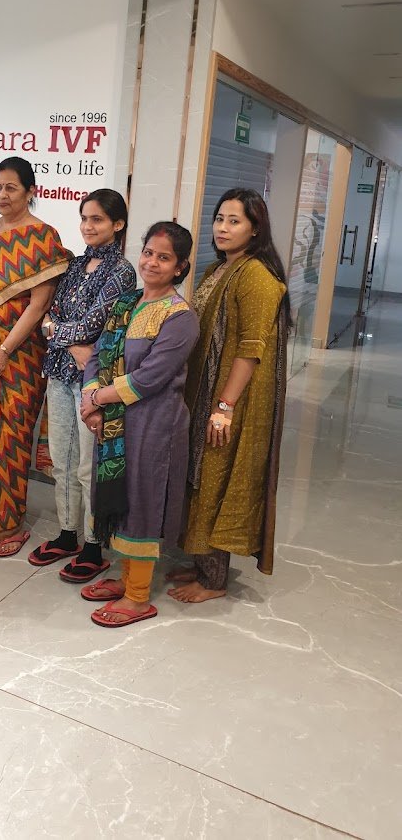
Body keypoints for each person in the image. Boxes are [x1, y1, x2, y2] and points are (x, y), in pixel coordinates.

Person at [167, 188, 290, 604]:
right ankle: (201, 561)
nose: (222, 227)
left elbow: (251, 349)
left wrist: (225, 406)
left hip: (233, 399)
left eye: (234, 221)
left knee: (217, 476)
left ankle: (214, 580)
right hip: (204, 390)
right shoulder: (218, 268)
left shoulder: (257, 276)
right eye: (220, 218)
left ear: (255, 229)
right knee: (199, 474)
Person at [78, 222, 199, 627]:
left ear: (179, 267)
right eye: (148, 253)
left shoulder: (180, 317)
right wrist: (91, 400)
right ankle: (126, 576)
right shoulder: (126, 303)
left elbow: (150, 377)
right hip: (115, 421)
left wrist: (98, 398)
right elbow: (98, 356)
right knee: (118, 497)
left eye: (164, 258)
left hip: (154, 425)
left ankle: (138, 596)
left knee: (142, 500)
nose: (152, 263)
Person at [0, 157, 69, 556]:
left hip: (19, 355)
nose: (2, 195)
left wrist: (4, 350)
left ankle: (6, 525)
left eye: (11, 188)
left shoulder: (44, 236)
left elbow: (39, 305)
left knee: (9, 439)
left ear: (30, 191)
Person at [28, 189, 136, 581]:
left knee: (88, 465)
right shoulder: (74, 265)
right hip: (60, 371)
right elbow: (48, 317)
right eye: (84, 218)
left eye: (97, 219)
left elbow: (96, 323)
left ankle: (93, 544)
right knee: (61, 461)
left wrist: (58, 332)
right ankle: (67, 534)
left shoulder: (122, 271)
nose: (88, 226)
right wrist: (70, 342)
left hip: (94, 381)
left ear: (117, 224)